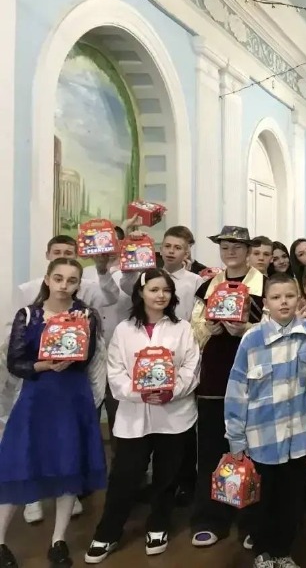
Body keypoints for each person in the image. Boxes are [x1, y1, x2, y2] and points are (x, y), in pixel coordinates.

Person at [1, 235, 119, 526]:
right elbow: (14, 355)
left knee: (68, 451)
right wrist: (41, 364)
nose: (64, 285)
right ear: (48, 275)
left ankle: (62, 523)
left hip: (72, 392)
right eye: (58, 278)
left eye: (71, 280)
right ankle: (28, 503)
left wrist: (74, 360)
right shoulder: (27, 306)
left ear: (78, 282)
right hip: (35, 391)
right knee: (29, 450)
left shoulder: (86, 312)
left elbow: (91, 355)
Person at [85, 269, 201, 562]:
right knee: (124, 476)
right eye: (154, 290)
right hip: (133, 415)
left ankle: (159, 524)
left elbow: (191, 367)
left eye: (166, 290)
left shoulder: (182, 328)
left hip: (174, 414)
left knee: (167, 475)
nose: (161, 295)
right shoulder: (124, 330)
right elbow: (115, 371)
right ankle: (107, 532)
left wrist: (172, 391)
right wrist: (139, 394)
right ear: (140, 292)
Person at [225, 273, 306, 568]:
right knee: (262, 502)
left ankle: (283, 552)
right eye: (276, 297)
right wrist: (236, 439)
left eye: (289, 296)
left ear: (299, 299)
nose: (284, 302)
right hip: (262, 440)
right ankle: (263, 552)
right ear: (266, 303)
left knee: (292, 502)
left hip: (299, 440)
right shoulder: (252, 339)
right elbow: (237, 390)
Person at [189, 226, 265, 549]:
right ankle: (211, 518)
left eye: (237, 246)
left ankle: (253, 522)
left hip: (255, 378)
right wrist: (210, 328)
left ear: (248, 250)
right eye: (225, 246)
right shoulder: (207, 286)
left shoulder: (266, 286)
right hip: (215, 379)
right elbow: (193, 330)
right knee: (211, 450)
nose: (230, 252)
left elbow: (275, 328)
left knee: (254, 451)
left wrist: (245, 329)